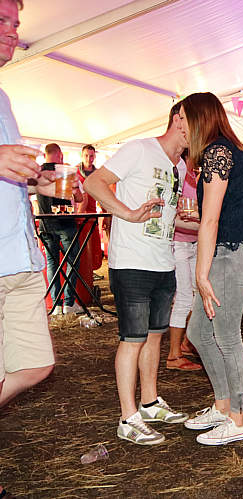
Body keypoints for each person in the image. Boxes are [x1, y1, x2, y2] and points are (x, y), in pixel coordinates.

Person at [84, 102, 189, 445]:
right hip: (131, 262)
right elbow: (94, 182)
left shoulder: (180, 165)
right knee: (132, 338)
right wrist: (127, 214)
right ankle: (127, 417)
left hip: (164, 261)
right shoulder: (140, 149)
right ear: (179, 119)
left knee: (155, 335)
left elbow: (170, 216)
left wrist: (206, 223)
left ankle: (150, 402)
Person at [180, 92, 243, 445]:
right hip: (231, 250)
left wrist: (201, 275)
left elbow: (212, 219)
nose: (180, 126)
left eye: (183, 119)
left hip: (234, 253)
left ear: (199, 119)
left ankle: (239, 419)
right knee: (199, 332)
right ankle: (223, 405)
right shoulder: (227, 151)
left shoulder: (218, 152)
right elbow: (222, 212)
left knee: (227, 336)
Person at [0, 0, 55, 413]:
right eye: (1, 20)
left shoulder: (3, 97)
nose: (12, 31)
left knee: (35, 365)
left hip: (18, 257)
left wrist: (35, 180)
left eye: (15, 23)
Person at [36, 143, 84, 315]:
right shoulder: (66, 171)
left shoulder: (37, 172)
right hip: (65, 223)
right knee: (72, 261)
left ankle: (57, 304)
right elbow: (79, 198)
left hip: (45, 224)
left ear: (45, 155)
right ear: (61, 155)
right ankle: (69, 303)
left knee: (52, 263)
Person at [165, 153, 202, 372]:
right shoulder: (176, 173)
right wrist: (202, 223)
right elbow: (170, 214)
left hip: (194, 242)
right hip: (178, 243)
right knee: (184, 297)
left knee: (199, 294)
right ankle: (174, 354)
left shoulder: (193, 175)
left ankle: (188, 342)